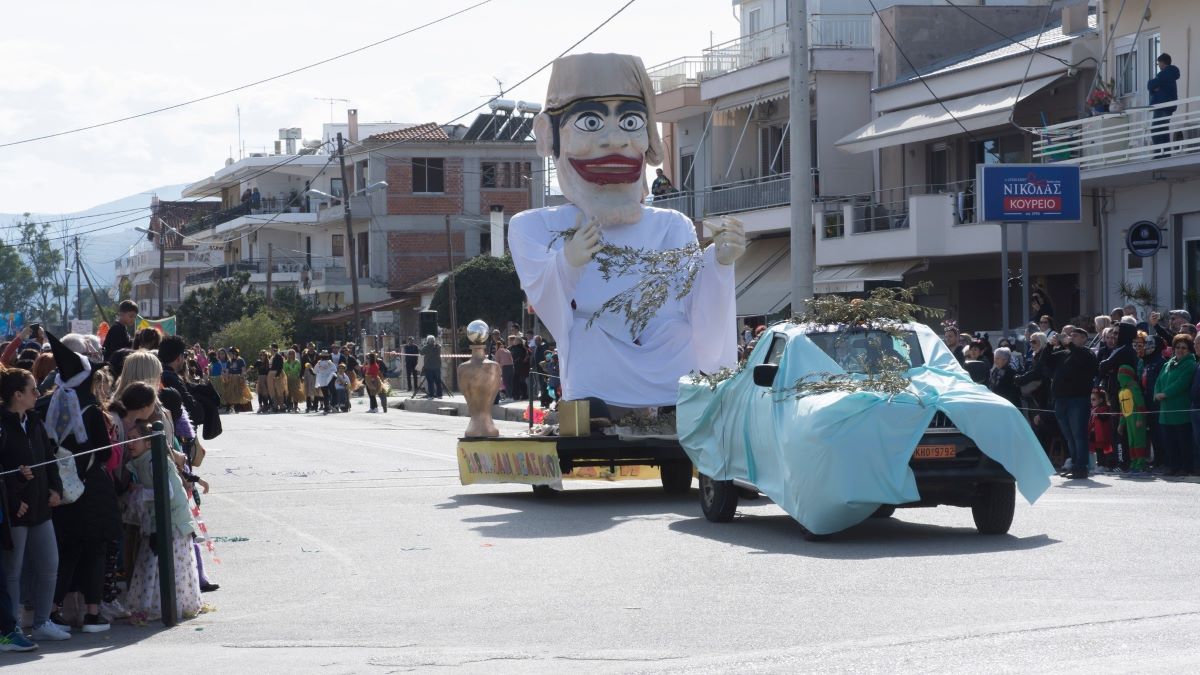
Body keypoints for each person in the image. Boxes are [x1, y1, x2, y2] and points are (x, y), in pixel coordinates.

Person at [508, 52, 742, 413]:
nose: (614, 140)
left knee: (675, 337)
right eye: (590, 122)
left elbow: (696, 303)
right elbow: (547, 297)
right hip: (596, 364)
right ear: (548, 135)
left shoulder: (671, 225)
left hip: (668, 363)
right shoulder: (534, 226)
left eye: (631, 121)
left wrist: (719, 263)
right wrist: (566, 263)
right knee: (588, 336)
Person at [42, 332, 117, 633]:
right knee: (95, 549)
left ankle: (52, 609)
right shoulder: (92, 410)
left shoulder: (47, 404)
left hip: (61, 488)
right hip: (91, 486)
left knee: (68, 551)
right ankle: (92, 614)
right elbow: (104, 453)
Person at [113, 387, 202, 623]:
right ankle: (153, 603)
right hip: (158, 520)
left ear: (149, 443)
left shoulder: (153, 462)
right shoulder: (141, 461)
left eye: (134, 440)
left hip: (171, 521)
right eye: (128, 439)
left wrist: (140, 493)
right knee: (151, 563)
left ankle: (164, 605)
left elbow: (168, 492)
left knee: (163, 564)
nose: (129, 444)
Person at [0, 368, 66, 642]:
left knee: (50, 564)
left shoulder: (35, 420)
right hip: (15, 510)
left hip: (40, 505)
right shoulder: (2, 425)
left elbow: (48, 457)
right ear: (17, 395)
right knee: (12, 572)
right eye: (33, 390)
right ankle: (11, 626)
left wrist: (56, 487)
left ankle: (42, 622)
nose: (38, 394)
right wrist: (15, 498)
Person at [1044, 327, 1098, 480]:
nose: (1071, 338)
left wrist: (1070, 345)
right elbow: (1045, 363)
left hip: (1078, 400)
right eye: (1070, 335)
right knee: (1068, 435)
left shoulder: (1087, 354)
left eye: (1075, 336)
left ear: (1083, 339)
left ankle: (1081, 467)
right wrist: (1049, 346)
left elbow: (1085, 362)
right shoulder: (1064, 354)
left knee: (1079, 434)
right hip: (1061, 399)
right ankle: (1075, 464)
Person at [1154, 334, 1195, 476]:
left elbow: (1181, 384)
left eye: (1184, 347)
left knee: (1182, 442)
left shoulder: (1190, 364)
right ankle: (1173, 466)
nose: (1180, 350)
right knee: (1169, 441)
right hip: (1165, 410)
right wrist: (1157, 393)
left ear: (1190, 349)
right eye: (1177, 347)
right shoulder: (1168, 363)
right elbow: (1159, 380)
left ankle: (1185, 467)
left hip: (1180, 409)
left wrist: (1164, 394)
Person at [1148, 53, 1180, 151]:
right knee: (1163, 129)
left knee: (1156, 130)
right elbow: (1154, 86)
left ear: (1162, 63)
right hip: (1168, 107)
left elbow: (1150, 84)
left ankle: (1159, 154)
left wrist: (1154, 87)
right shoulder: (1171, 73)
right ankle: (1165, 153)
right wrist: (1155, 88)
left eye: (1158, 63)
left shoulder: (1165, 73)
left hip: (1162, 106)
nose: (1159, 66)